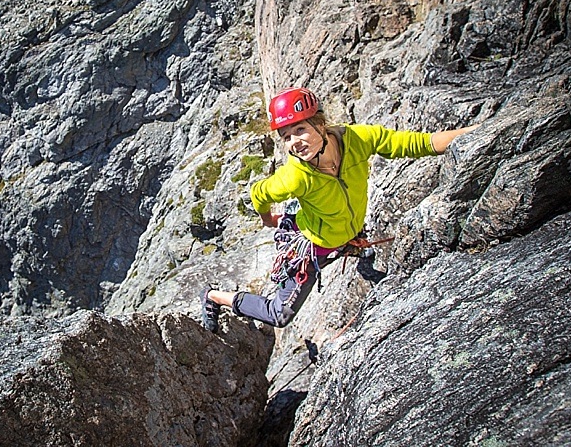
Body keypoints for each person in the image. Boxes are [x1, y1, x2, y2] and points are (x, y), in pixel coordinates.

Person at [200, 87, 478, 332]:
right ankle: (213, 296)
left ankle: (347, 242)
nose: (294, 142)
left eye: (300, 129)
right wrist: (268, 220)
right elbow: (258, 193)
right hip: (312, 244)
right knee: (279, 314)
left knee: (354, 244)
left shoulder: (357, 139)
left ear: (320, 125)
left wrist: (475, 134)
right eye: (286, 137)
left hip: (343, 228)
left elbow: (417, 143)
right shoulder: (296, 176)